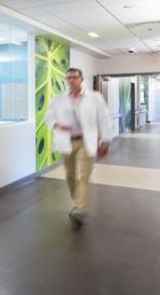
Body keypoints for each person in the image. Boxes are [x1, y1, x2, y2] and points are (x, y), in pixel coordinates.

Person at [47, 68, 113, 227]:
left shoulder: (94, 97)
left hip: (86, 141)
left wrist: (105, 141)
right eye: (69, 78)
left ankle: (80, 210)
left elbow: (104, 119)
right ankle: (77, 203)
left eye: (75, 77)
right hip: (67, 141)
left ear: (81, 79)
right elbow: (49, 117)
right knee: (70, 175)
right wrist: (57, 125)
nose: (71, 80)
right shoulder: (59, 99)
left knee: (84, 176)